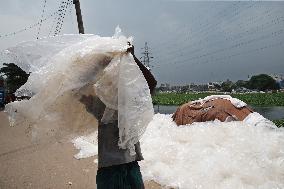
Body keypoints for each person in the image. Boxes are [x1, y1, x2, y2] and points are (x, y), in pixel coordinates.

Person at [95, 43, 157, 189]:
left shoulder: (128, 99)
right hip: (110, 169)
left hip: (129, 165)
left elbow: (151, 85)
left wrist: (131, 58)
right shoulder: (98, 100)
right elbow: (75, 88)